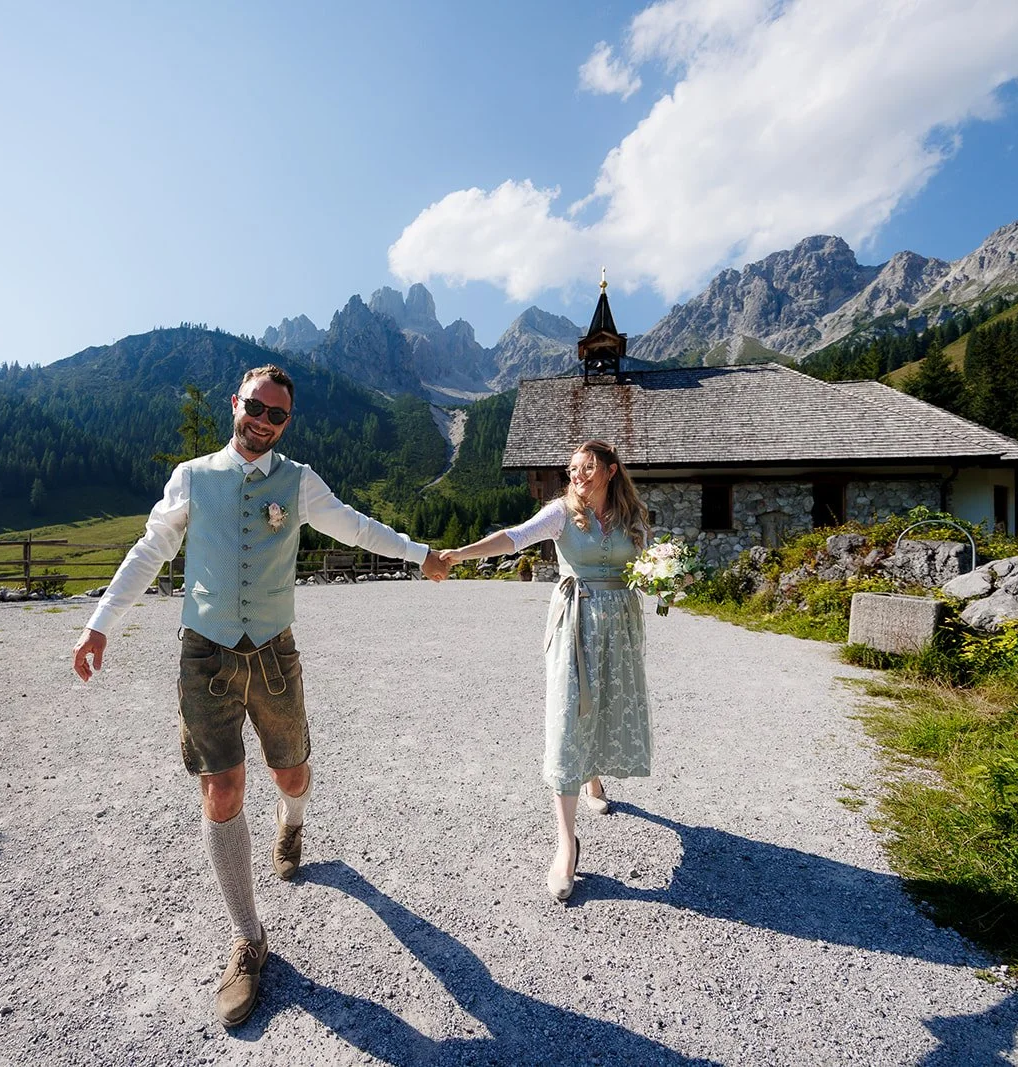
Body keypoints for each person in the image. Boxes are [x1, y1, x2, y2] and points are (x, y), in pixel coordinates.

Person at [72, 364, 450, 1028]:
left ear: (286, 422)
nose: (264, 421)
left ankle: (292, 821)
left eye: (277, 415)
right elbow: (151, 549)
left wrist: (419, 553)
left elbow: (356, 526)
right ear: (236, 403)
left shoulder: (298, 482)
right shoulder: (193, 477)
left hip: (274, 653)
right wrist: (100, 623)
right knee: (221, 789)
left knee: (292, 773)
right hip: (205, 655)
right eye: (255, 407)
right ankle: (248, 939)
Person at [440, 439, 652, 902]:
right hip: (575, 622)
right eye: (573, 468)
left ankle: (593, 777)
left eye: (588, 467)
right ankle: (566, 845)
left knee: (605, 705)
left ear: (611, 471)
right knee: (568, 718)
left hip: (620, 626)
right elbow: (514, 537)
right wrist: (460, 553)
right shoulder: (561, 512)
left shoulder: (632, 516)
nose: (578, 475)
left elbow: (648, 564)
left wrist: (671, 577)